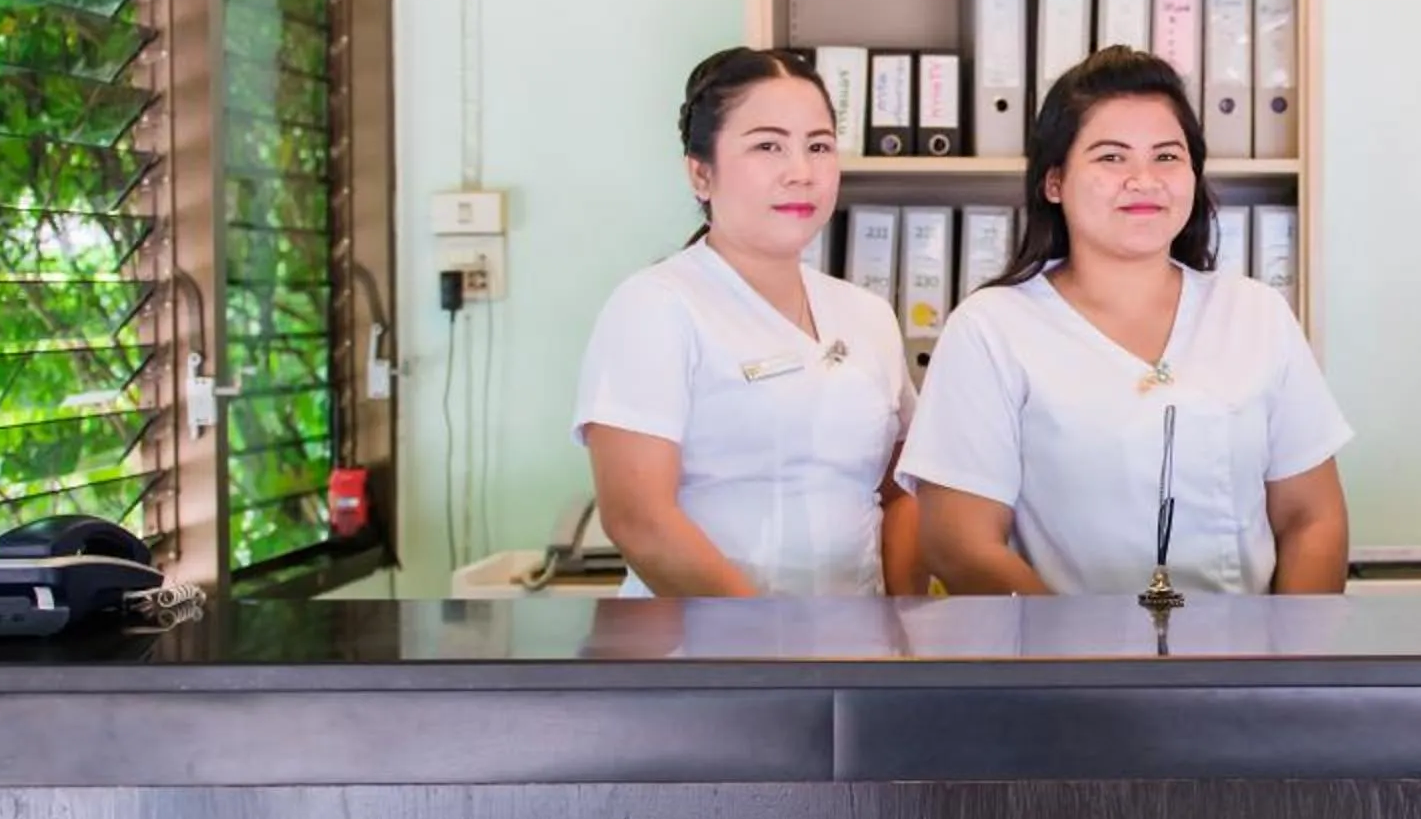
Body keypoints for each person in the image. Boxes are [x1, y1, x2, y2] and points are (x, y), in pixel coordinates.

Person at [898, 46, 1350, 595]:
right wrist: (1083, 663)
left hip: (1242, 666)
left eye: (1167, 157)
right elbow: (959, 543)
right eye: (1111, 158)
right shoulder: (992, 328)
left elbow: (1313, 520)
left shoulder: (1256, 313)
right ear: (1054, 181)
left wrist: (1284, 664)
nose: (1144, 179)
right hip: (1064, 667)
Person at [573, 48, 919, 596]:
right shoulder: (656, 306)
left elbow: (901, 492)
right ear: (700, 172)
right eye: (767, 146)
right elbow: (639, 521)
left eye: (819, 146)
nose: (801, 172)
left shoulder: (867, 316)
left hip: (857, 655)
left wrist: (901, 626)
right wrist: (762, 647)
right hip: (710, 661)